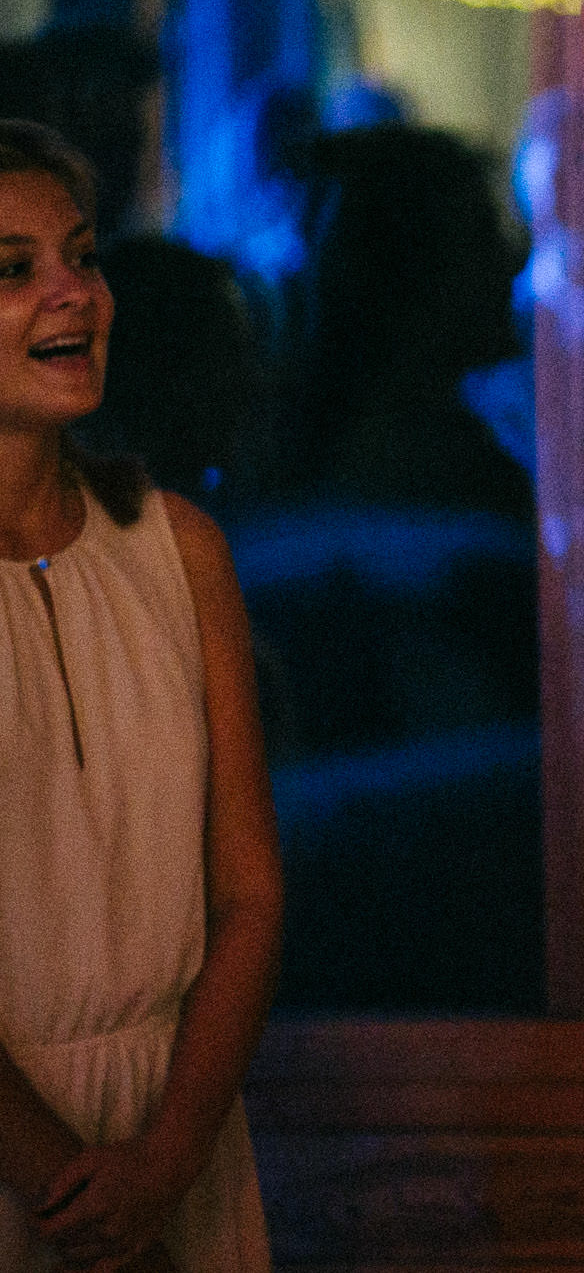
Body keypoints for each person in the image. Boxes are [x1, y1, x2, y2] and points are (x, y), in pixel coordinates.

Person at [0, 121, 282, 1272]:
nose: (74, 291)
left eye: (82, 254)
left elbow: (250, 894)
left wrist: (166, 1163)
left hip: (182, 1131)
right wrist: (77, 1199)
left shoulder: (179, 551)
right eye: (13, 269)